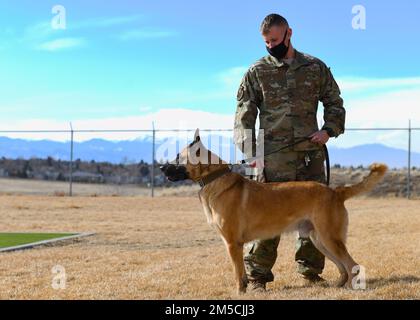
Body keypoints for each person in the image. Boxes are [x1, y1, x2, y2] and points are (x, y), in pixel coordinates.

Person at [233, 13, 346, 292]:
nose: (271, 46)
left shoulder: (315, 68)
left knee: (314, 218)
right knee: (265, 218)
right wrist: (251, 154)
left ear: (289, 34)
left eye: (275, 39)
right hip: (271, 159)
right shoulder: (257, 71)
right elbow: (243, 117)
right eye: (266, 42)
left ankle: (311, 272)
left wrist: (328, 130)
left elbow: (335, 102)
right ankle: (257, 277)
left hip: (310, 155)